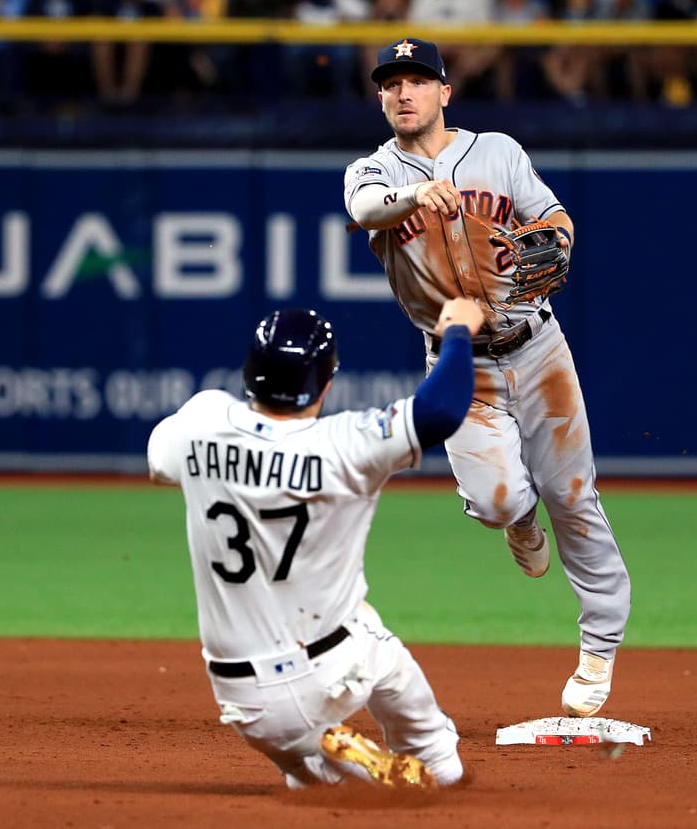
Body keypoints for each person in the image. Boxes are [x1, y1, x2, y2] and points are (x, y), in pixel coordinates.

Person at [342, 37, 632, 719]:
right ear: (381, 98)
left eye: (417, 81)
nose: (403, 93)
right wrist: (419, 191)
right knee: (502, 501)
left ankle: (600, 647)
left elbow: (554, 218)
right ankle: (515, 523)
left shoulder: (497, 151)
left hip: (537, 346)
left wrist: (554, 244)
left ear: (446, 92)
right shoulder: (370, 171)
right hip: (458, 362)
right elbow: (366, 212)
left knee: (575, 496)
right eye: (391, 84)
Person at [146, 297, 486, 789]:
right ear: (326, 383)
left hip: (238, 695)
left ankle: (321, 763)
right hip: (330, 668)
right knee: (377, 647)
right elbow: (440, 409)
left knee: (313, 777)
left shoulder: (202, 421)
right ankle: (432, 761)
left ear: (248, 373)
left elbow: (160, 463)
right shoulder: (345, 444)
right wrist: (456, 330)